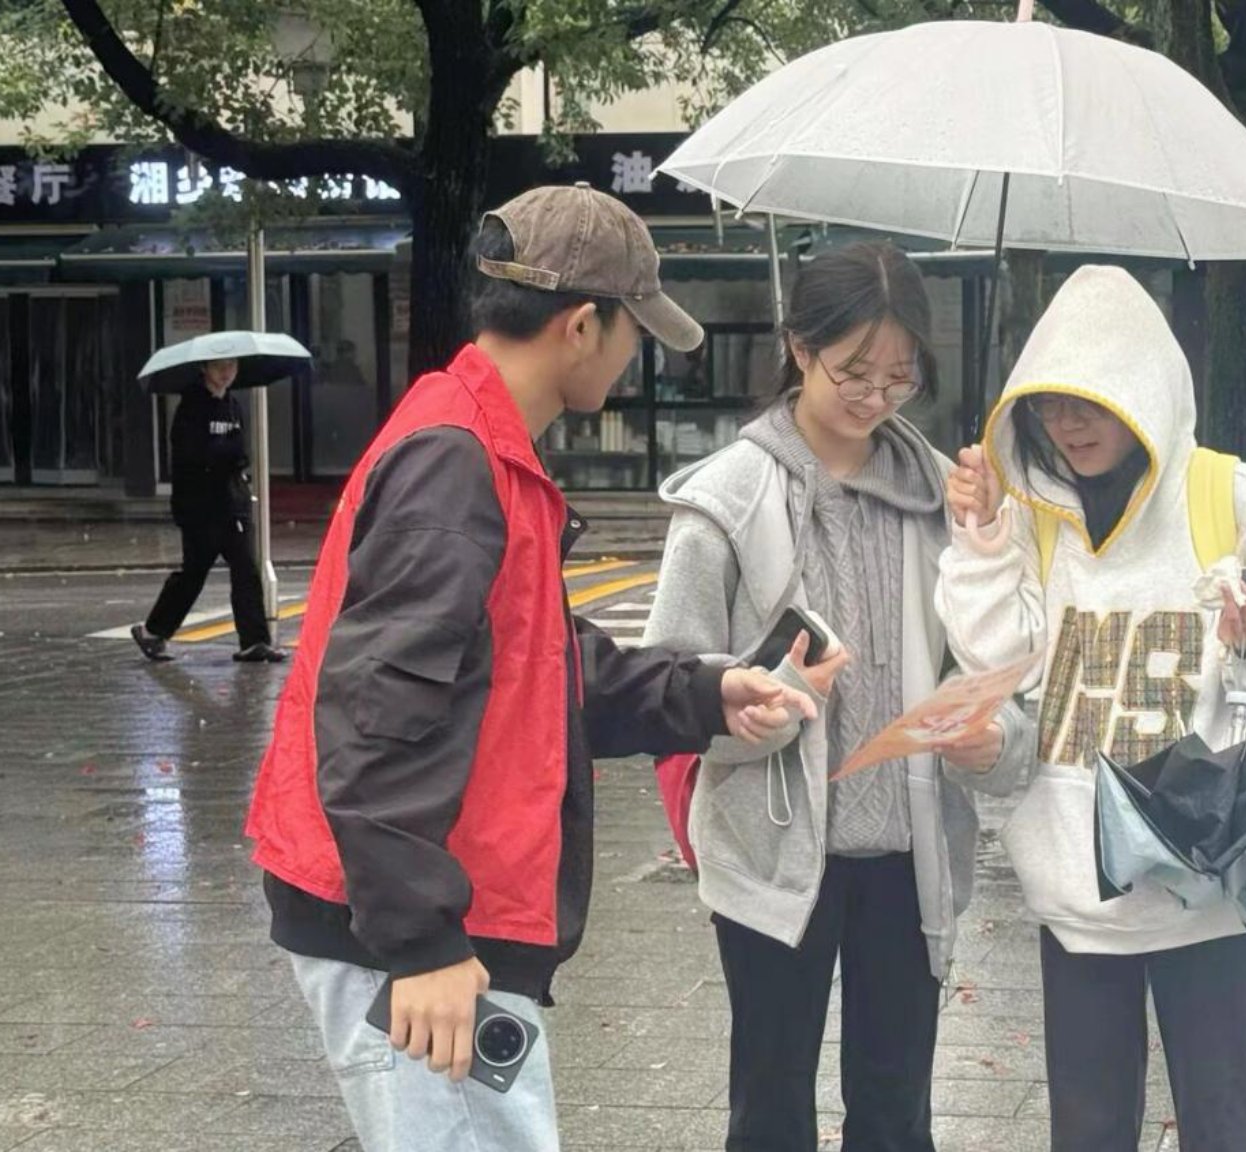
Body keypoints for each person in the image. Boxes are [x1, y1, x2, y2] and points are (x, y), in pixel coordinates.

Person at [243, 184, 817, 1152]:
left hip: (420, 907)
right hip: (410, 925)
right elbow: (377, 708)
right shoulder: (456, 465)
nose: (633, 361)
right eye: (633, 333)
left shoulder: (472, 440)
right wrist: (423, 943)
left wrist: (705, 693)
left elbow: (536, 665)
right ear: (582, 326)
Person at [935, 265, 1246, 1152]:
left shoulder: (1229, 495)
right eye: (1050, 405)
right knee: (1086, 1133)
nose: (1069, 424)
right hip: (1077, 889)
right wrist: (980, 539)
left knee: (1221, 1128)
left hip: (1210, 882)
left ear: (1144, 390)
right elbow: (995, 663)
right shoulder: (1031, 514)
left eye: (1092, 401)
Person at [642, 241, 1031, 1152]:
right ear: (799, 347)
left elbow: (999, 658)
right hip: (774, 850)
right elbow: (664, 686)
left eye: (900, 375)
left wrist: (995, 731)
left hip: (911, 849)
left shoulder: (944, 495)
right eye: (854, 370)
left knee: (896, 1113)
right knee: (771, 1109)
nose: (876, 395)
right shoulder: (729, 498)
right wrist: (762, 701)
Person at [131, 357, 284, 663]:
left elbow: (239, 452)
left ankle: (254, 641)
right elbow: (194, 454)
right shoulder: (191, 407)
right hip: (200, 507)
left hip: (231, 504)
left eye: (232, 367)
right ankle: (153, 631)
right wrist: (225, 452)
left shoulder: (232, 405)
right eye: (219, 367)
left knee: (245, 568)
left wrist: (231, 458)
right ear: (205, 369)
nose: (226, 373)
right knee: (194, 573)